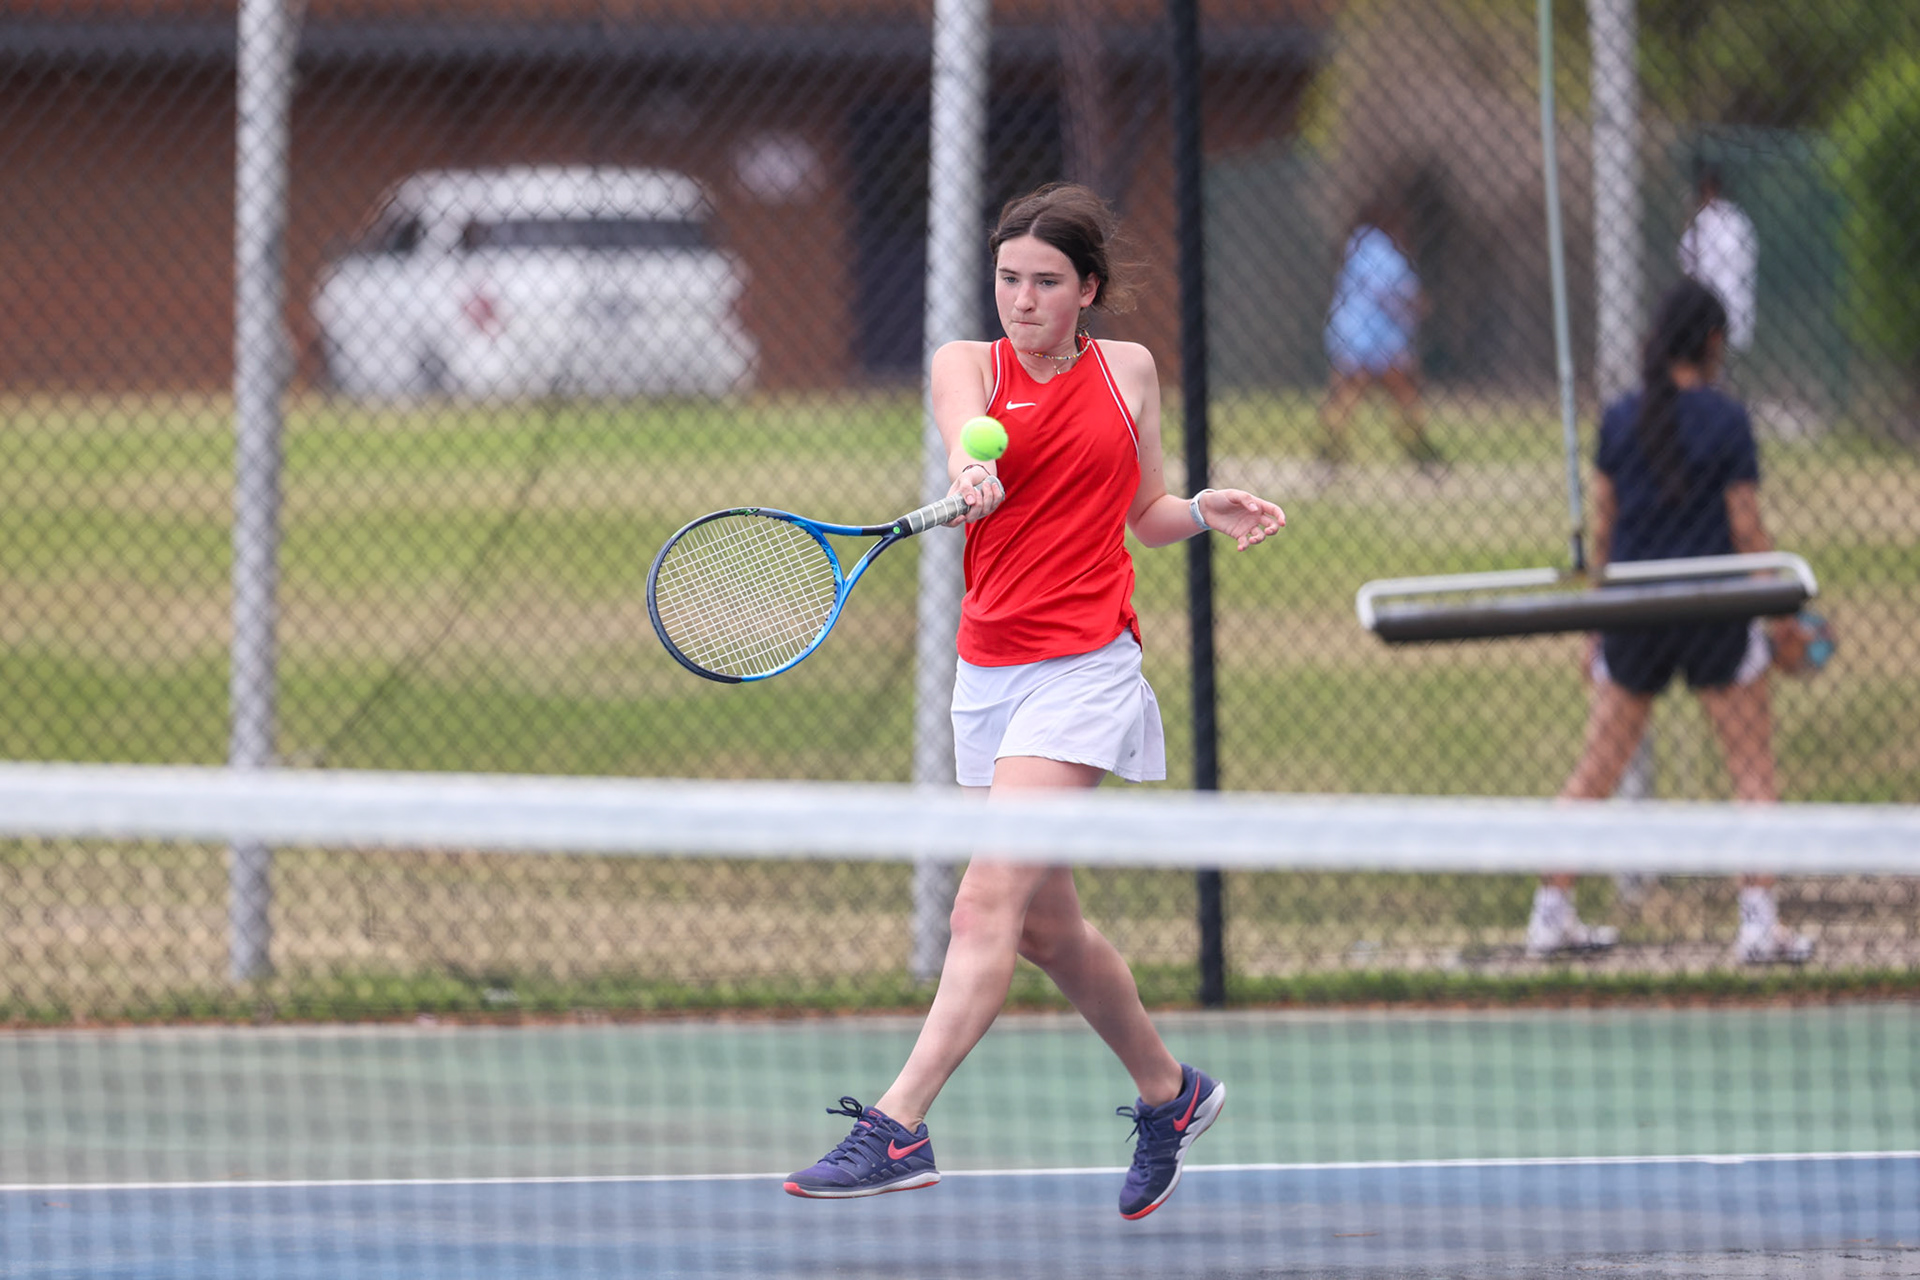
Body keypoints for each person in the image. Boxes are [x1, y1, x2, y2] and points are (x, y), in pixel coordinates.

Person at [782, 183, 1285, 1218]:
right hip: (990, 675)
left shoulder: (1129, 369)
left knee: (981, 904)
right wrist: (973, 472)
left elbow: (1142, 513)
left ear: (1087, 289)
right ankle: (1171, 1092)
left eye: (1046, 282)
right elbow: (965, 423)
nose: (1023, 298)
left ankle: (898, 1124)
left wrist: (1200, 505)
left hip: (1085, 670)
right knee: (1045, 929)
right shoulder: (965, 364)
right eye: (1009, 278)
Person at [1525, 278, 1812, 966]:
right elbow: (1747, 531)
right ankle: (1757, 924)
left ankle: (1549, 915)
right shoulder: (1726, 420)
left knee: (1595, 770)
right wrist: (1783, 620)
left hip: (1635, 612)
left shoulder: (1620, 417)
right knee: (1751, 771)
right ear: (1714, 342)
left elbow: (1604, 528)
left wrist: (1598, 623)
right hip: (1713, 612)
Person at [1319, 204, 1445, 475]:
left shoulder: (1358, 247)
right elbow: (1396, 291)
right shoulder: (1382, 251)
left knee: (1346, 396)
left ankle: (1330, 451)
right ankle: (1420, 450)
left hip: (1351, 333)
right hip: (1378, 338)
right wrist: (1417, 305)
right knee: (1404, 392)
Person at [1678, 163, 1758, 358]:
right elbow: (1686, 256)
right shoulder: (1734, 220)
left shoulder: (1730, 220)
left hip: (1725, 296)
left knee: (1718, 350)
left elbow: (1688, 258)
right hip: (1714, 298)